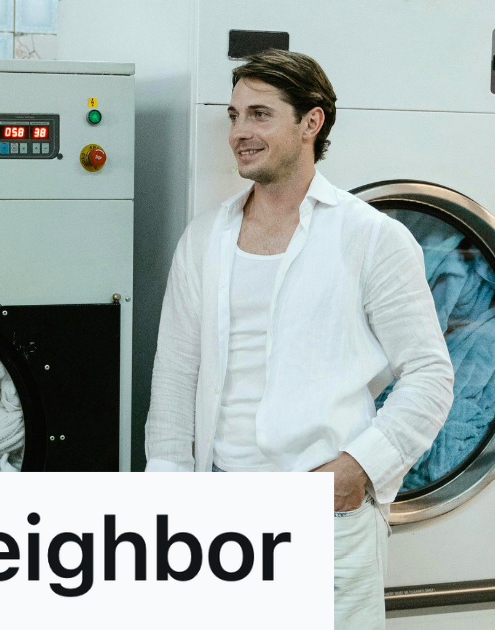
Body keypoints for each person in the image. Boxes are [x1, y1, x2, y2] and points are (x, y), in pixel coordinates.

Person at [143, 49, 454, 628]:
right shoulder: (204, 237)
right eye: (233, 116)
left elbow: (431, 375)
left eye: (259, 115)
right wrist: (166, 495)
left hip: (326, 523)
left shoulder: (371, 237)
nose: (240, 133)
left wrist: (358, 468)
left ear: (311, 123)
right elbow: (175, 377)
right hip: (218, 520)